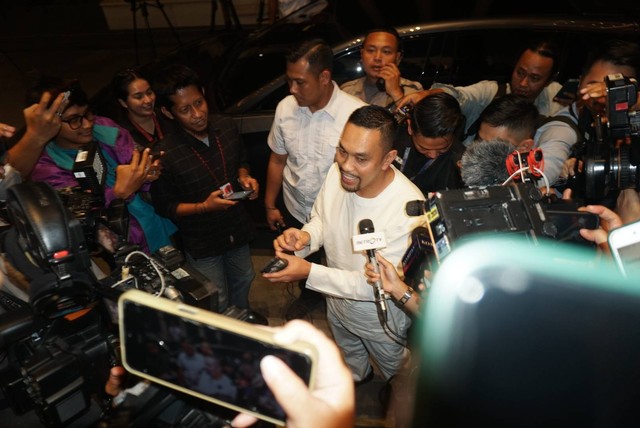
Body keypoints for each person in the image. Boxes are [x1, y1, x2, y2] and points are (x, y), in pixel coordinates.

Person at [263, 105, 425, 383]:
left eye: (361, 158)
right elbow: (322, 219)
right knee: (349, 356)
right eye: (342, 151)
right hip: (336, 301)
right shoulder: (340, 175)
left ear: (388, 159)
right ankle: (357, 378)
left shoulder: (408, 210)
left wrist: (307, 272)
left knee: (396, 370)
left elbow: (380, 284)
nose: (346, 166)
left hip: (378, 319)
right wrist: (305, 239)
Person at [265, 38, 365, 320]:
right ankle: (309, 296)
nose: (292, 89)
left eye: (300, 82)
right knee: (301, 255)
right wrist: (270, 205)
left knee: (340, 263)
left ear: (324, 77)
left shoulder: (354, 114)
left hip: (338, 213)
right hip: (296, 205)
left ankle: (341, 307)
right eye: (290, 81)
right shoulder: (285, 108)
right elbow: (277, 158)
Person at [151, 64, 261, 314]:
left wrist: (246, 178)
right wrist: (203, 207)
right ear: (168, 113)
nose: (197, 113)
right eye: (185, 109)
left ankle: (242, 325)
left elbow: (242, 161)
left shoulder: (226, 126)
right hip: (202, 239)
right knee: (215, 296)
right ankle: (224, 337)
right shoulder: (164, 154)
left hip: (237, 226)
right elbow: (165, 206)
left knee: (245, 278)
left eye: (199, 102)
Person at [27, 77, 177, 254]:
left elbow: (135, 163)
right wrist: (118, 193)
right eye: (74, 120)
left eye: (88, 113)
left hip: (161, 223)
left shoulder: (105, 127)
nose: (87, 124)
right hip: (127, 246)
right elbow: (78, 215)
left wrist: (147, 174)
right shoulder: (47, 169)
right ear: (49, 124)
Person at [400, 40, 563, 145]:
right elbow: (458, 95)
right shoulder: (490, 91)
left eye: (535, 78)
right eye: (520, 72)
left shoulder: (555, 102)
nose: (523, 83)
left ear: (549, 80)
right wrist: (428, 94)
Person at [542, 39, 640, 187]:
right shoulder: (562, 130)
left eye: (617, 94)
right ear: (580, 82)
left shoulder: (630, 123)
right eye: (594, 89)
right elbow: (544, 171)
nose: (602, 99)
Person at [396, 92, 465, 195]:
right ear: (410, 128)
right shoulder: (394, 135)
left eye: (443, 149)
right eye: (423, 148)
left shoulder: (460, 165)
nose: (433, 155)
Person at [341, 27, 423, 108]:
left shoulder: (412, 92)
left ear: (398, 58)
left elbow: (413, 120)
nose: (377, 57)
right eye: (371, 50)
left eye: (386, 52)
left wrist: (396, 94)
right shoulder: (347, 91)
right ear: (362, 54)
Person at [110, 68, 170, 151]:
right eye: (138, 97)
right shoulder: (121, 135)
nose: (148, 100)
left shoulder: (167, 115)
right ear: (123, 102)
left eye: (149, 92)